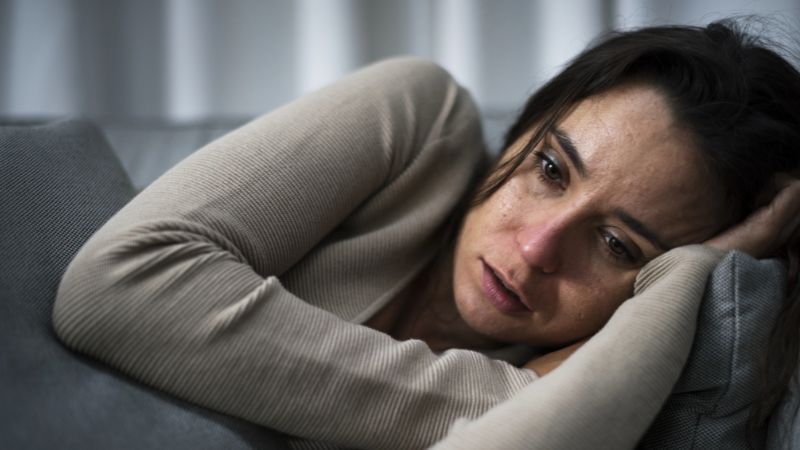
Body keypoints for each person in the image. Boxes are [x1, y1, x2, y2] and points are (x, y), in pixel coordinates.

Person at [53, 18, 800, 449]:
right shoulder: (419, 123)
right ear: (526, 126)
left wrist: (697, 272)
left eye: (617, 247)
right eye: (548, 166)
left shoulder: (603, 382)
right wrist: (508, 394)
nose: (537, 248)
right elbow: (114, 287)